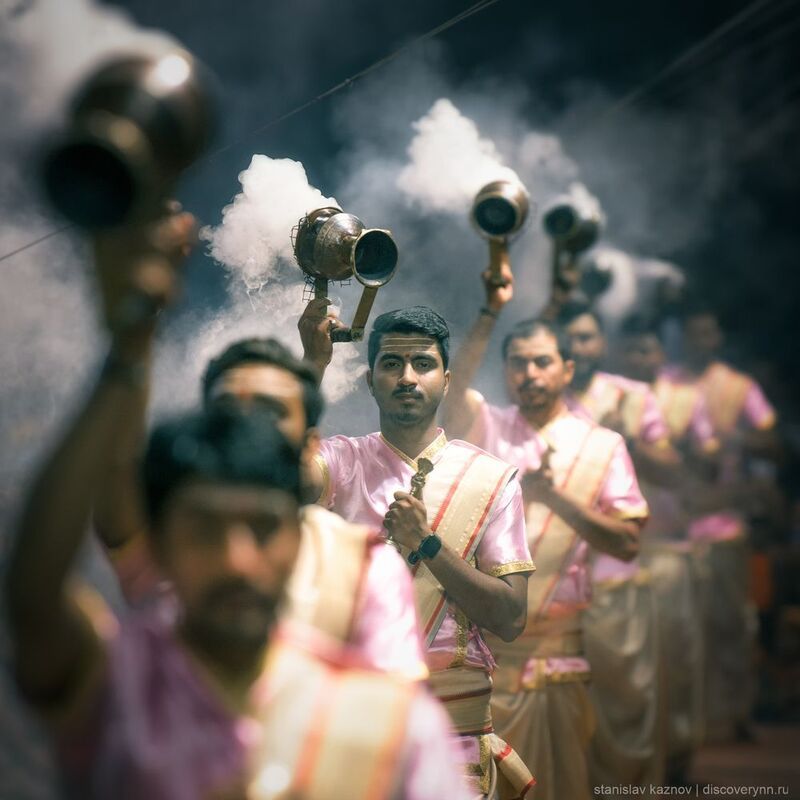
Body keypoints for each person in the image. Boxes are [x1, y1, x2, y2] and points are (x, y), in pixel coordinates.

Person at [4, 211, 467, 800]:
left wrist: (313, 363)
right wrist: (129, 342)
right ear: (164, 544)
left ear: (297, 536)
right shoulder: (123, 688)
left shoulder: (385, 707)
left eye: (264, 528)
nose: (237, 559)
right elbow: (37, 593)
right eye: (205, 531)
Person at [299, 300, 536, 800]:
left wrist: (427, 545)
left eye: (422, 363)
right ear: (370, 381)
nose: (407, 377)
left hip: (455, 733)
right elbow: (278, 470)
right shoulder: (341, 461)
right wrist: (313, 364)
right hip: (353, 720)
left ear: (446, 381)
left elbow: (512, 618)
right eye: (392, 363)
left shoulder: (492, 479)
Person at [96, 335, 427, 681]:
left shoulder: (362, 565)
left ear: (310, 445)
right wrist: (132, 344)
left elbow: (393, 702)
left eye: (270, 412)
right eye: (228, 409)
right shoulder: (168, 543)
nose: (247, 424)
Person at [440, 263, 645, 800]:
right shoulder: (486, 425)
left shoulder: (602, 445)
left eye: (542, 362)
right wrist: (489, 313)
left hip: (558, 658)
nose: (529, 373)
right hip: (480, 654)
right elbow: (453, 390)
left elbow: (628, 542)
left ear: (567, 369)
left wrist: (555, 499)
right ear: (505, 370)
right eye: (517, 363)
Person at [555, 299, 673, 790]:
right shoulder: (544, 399)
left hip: (615, 576)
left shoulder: (632, 396)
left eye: (586, 337)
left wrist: (629, 442)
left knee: (625, 702)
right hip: (556, 582)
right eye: (568, 339)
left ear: (602, 342)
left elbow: (672, 469)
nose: (577, 347)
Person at [618, 314, 720, 784]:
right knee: (624, 669)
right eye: (631, 350)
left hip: (669, 546)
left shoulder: (684, 400)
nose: (639, 359)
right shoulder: (606, 395)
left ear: (662, 354)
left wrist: (649, 449)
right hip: (613, 553)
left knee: (676, 660)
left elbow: (701, 468)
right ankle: (626, 768)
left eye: (648, 350)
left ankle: (676, 760)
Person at [672, 304, 780, 742]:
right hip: (674, 523)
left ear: (717, 338)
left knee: (730, 623)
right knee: (680, 629)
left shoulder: (738, 387)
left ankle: (734, 711)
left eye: (708, 333)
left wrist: (736, 437)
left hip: (723, 523)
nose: (701, 341)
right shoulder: (666, 384)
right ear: (683, 337)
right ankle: (686, 719)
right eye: (693, 333)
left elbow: (772, 441)